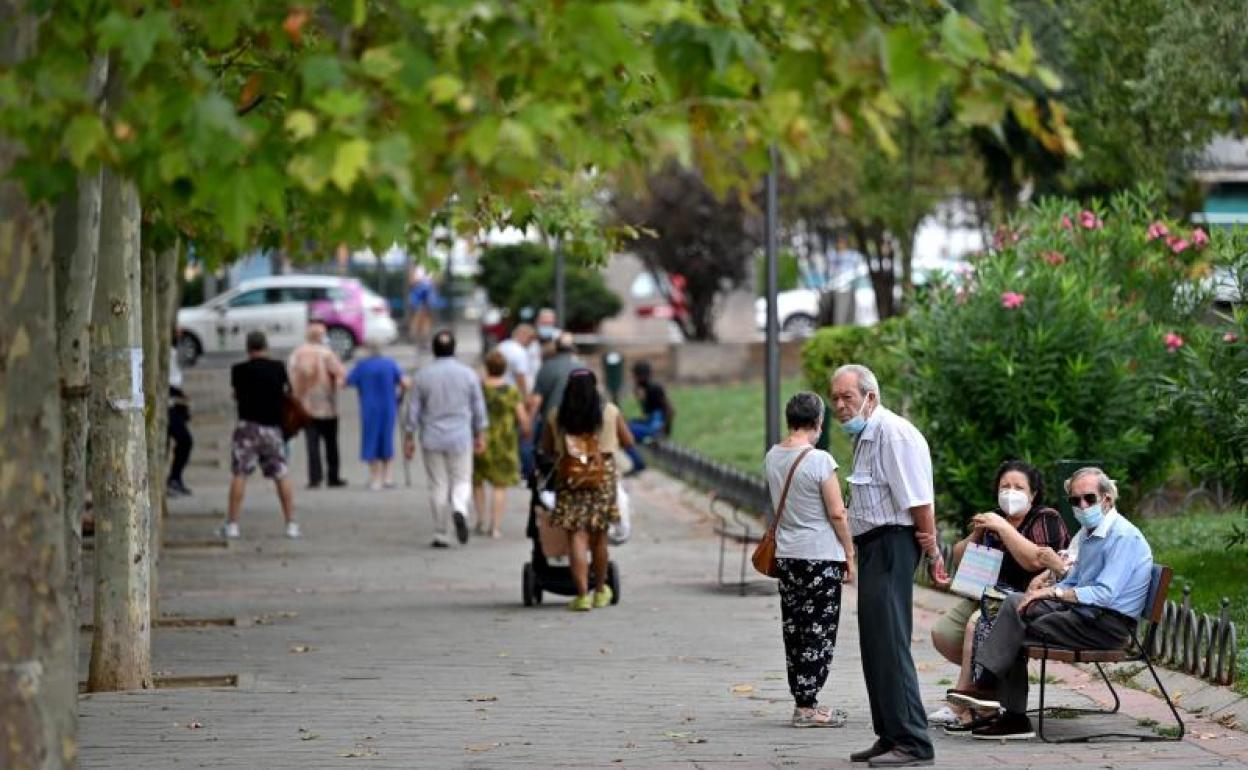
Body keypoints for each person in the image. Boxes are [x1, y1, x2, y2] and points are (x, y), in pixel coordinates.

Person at [950, 467, 1154, 741]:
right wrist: (1045, 589)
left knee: (1018, 626)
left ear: (1107, 499)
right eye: (1075, 500)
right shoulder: (1088, 533)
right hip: (1082, 614)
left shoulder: (1122, 536)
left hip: (1107, 625)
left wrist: (1052, 595)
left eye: (1089, 499)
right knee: (1014, 602)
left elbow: (1104, 593)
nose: (1082, 505)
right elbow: (1074, 580)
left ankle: (1008, 711)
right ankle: (987, 689)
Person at [830, 363, 945, 768]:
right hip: (874, 547)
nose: (841, 406)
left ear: (870, 397)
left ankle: (913, 741)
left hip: (894, 544)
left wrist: (932, 552)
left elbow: (918, 501)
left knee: (891, 643)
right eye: (836, 399)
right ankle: (889, 733)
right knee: (875, 644)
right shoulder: (867, 435)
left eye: (848, 397)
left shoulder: (894, 434)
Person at [927, 460, 1070, 730]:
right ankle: (990, 681)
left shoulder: (1045, 518)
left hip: (1028, 599)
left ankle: (966, 702)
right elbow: (958, 556)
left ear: (1033, 494)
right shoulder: (995, 517)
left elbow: (1035, 561)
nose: (1010, 492)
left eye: (1019, 487)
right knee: (942, 633)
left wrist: (1005, 529)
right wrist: (979, 532)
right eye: (1005, 486)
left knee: (975, 624)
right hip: (988, 594)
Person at [765, 392, 856, 728]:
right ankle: (808, 706)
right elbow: (836, 511)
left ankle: (801, 699)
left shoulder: (773, 456)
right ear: (818, 422)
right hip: (820, 556)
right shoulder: (819, 460)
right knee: (819, 631)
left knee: (795, 628)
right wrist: (849, 552)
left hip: (788, 554)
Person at [540, 368, 634, 611]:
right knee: (599, 537)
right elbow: (628, 441)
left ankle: (582, 595)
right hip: (601, 480)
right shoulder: (609, 412)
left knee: (576, 537)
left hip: (570, 480)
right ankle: (600, 590)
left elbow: (547, 449)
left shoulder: (557, 415)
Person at [403, 330, 488, 548]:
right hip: (460, 436)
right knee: (462, 479)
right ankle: (459, 507)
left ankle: (441, 532)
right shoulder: (468, 374)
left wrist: (409, 436)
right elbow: (478, 406)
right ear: (454, 348)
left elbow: (413, 410)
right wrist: (481, 433)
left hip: (431, 436)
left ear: (433, 349)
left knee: (438, 484)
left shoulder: (423, 375)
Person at [223, 331, 299, 539]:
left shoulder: (238, 370)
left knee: (240, 473)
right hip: (273, 429)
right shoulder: (278, 368)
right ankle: (291, 524)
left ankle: (232, 525)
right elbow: (288, 393)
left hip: (247, 427)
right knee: (281, 473)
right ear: (266, 346)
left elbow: (235, 394)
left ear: (248, 348)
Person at [472, 350, 531, 538]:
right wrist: (526, 430)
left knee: (478, 481)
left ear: (486, 368)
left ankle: (481, 521)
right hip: (505, 443)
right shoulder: (511, 391)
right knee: (500, 486)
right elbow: (522, 419)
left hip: (480, 440)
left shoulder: (479, 389)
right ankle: (495, 527)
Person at [287, 320, 348, 489]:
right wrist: (342, 382)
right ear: (321, 336)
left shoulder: (297, 354)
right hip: (327, 406)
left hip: (305, 407)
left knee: (311, 444)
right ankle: (333, 476)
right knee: (331, 443)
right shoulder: (327, 354)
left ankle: (315, 477)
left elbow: (290, 377)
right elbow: (340, 373)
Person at [347, 338, 408, 491]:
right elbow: (405, 382)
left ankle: (375, 478)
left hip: (369, 407)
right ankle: (388, 477)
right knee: (386, 438)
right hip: (388, 406)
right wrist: (401, 396)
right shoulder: (390, 364)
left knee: (370, 438)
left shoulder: (362, 366)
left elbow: (347, 381)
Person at [620, 360, 674, 477]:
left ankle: (638, 463)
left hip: (656, 428)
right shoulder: (643, 390)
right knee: (626, 425)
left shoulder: (654, 388)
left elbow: (669, 410)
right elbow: (647, 413)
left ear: (639, 376)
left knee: (623, 431)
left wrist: (664, 431)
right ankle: (637, 461)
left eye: (634, 376)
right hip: (651, 423)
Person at [498, 323, 537, 479]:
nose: (530, 344)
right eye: (529, 340)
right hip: (514, 398)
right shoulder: (519, 352)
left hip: (498, 394)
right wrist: (526, 398)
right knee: (522, 432)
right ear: (523, 336)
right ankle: (522, 470)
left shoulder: (502, 346)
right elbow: (521, 378)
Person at [528, 331, 579, 446]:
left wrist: (529, 424)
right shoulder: (582, 367)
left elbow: (536, 400)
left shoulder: (546, 368)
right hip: (577, 426)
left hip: (551, 425)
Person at [167, 342, 194, 497]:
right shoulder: (169, 352)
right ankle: (173, 478)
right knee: (184, 441)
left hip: (173, 403)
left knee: (184, 441)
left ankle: (175, 478)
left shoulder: (173, 352)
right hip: (167, 405)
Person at [407, 266, 439, 344]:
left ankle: (423, 337)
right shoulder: (416, 267)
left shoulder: (431, 266)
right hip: (419, 291)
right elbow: (411, 281)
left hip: (428, 291)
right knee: (417, 315)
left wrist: (432, 282)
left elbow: (436, 280)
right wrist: (419, 282)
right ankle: (415, 335)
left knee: (426, 316)